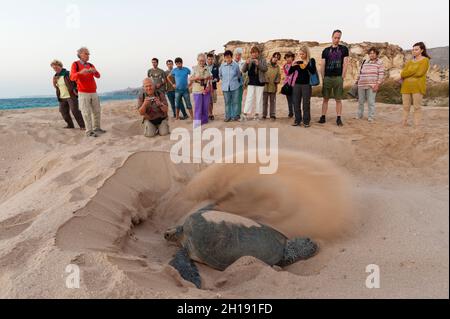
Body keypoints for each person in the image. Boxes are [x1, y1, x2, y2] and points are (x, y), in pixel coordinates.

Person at [70, 47, 105, 138]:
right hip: (83, 92)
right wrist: (80, 73)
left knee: (97, 111)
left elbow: (98, 76)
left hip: (93, 91)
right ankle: (89, 131)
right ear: (80, 54)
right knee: (86, 112)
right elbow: (72, 77)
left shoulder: (90, 64)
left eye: (88, 54)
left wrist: (95, 71)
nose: (88, 55)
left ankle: (97, 128)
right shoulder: (75, 64)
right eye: (86, 53)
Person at [319, 30, 349, 127]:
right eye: (335, 37)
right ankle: (323, 116)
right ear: (332, 37)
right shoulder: (326, 50)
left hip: (338, 77)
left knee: (338, 99)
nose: (337, 39)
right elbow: (322, 65)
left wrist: (342, 77)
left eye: (338, 38)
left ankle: (338, 118)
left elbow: (345, 63)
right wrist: (323, 78)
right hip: (327, 77)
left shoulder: (344, 49)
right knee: (325, 99)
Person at [400, 42, 431, 127]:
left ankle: (416, 125)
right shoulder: (410, 62)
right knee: (406, 106)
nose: (414, 51)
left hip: (418, 87)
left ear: (421, 50)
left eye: (416, 49)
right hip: (406, 87)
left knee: (417, 107)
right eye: (413, 49)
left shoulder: (425, 60)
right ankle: (404, 123)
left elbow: (420, 73)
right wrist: (413, 71)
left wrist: (408, 73)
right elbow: (403, 73)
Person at [50, 59, 85, 130]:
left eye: (56, 67)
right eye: (53, 68)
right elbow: (56, 87)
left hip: (71, 95)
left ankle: (83, 126)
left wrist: (76, 89)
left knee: (75, 111)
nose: (55, 69)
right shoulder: (56, 76)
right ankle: (70, 125)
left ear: (60, 66)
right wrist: (54, 82)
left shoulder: (68, 73)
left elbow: (77, 81)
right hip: (62, 97)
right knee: (63, 112)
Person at [288, 46, 317, 127]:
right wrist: (292, 65)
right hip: (296, 85)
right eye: (300, 54)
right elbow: (290, 73)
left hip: (306, 85)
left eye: (303, 54)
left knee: (306, 104)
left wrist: (306, 64)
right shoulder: (297, 61)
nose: (301, 55)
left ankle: (306, 121)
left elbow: (313, 71)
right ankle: (297, 120)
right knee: (296, 103)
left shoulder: (311, 60)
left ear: (306, 53)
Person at [355, 47, 385, 123]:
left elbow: (381, 74)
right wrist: (357, 81)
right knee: (360, 101)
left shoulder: (380, 63)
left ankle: (370, 117)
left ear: (376, 54)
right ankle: (359, 115)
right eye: (370, 53)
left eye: (373, 53)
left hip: (372, 85)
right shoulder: (365, 61)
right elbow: (360, 72)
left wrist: (377, 84)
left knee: (371, 102)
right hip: (361, 84)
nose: (371, 55)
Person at [241, 46, 268, 121]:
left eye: (255, 52)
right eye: (252, 52)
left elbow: (265, 69)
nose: (254, 54)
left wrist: (258, 64)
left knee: (259, 99)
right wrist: (246, 63)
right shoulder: (249, 60)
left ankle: (257, 114)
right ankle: (245, 114)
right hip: (251, 82)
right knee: (249, 98)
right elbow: (243, 70)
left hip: (260, 82)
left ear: (258, 53)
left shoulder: (262, 60)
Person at [219, 50, 242, 122]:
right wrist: (225, 82)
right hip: (225, 88)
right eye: (226, 57)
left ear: (231, 57)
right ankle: (228, 116)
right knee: (227, 103)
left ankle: (235, 116)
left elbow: (239, 75)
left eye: (229, 57)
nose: (228, 59)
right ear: (224, 58)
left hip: (235, 87)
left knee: (235, 102)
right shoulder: (222, 66)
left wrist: (235, 81)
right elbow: (220, 75)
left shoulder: (236, 65)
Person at [191, 53, 213, 126]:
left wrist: (209, 79)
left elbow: (211, 77)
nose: (201, 62)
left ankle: (204, 120)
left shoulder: (208, 68)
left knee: (205, 106)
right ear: (197, 60)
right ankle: (197, 122)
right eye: (200, 60)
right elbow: (190, 78)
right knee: (198, 106)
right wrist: (196, 78)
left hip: (206, 89)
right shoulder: (194, 68)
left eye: (203, 61)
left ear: (205, 60)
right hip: (197, 90)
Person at [263, 53, 281, 121]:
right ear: (272, 57)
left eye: (277, 58)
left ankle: (272, 114)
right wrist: (265, 79)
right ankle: (264, 114)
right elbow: (262, 73)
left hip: (273, 86)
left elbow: (279, 76)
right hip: (265, 86)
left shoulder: (278, 67)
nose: (276, 58)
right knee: (264, 101)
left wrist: (277, 81)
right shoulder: (266, 65)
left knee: (272, 101)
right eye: (275, 57)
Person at [206, 53, 220, 121]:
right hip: (205, 87)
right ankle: (208, 114)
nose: (210, 60)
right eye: (209, 59)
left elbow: (218, 78)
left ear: (213, 59)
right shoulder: (204, 66)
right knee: (207, 101)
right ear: (207, 59)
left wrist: (215, 79)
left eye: (211, 59)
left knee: (211, 101)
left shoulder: (216, 67)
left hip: (213, 87)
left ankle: (211, 114)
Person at [283, 52, 296, 118]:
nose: (288, 59)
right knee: (289, 100)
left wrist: (293, 83)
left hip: (294, 85)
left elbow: (296, 74)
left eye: (290, 57)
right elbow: (287, 74)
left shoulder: (295, 65)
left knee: (295, 100)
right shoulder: (285, 66)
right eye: (287, 57)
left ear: (292, 58)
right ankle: (290, 112)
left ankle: (296, 112)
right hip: (287, 85)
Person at [234, 48, 246, 116]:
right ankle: (233, 113)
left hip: (241, 83)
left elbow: (245, 74)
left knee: (239, 99)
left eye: (239, 55)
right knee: (233, 99)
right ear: (234, 55)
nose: (238, 56)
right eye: (236, 55)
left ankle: (238, 113)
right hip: (233, 84)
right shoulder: (232, 62)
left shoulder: (243, 62)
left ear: (241, 55)